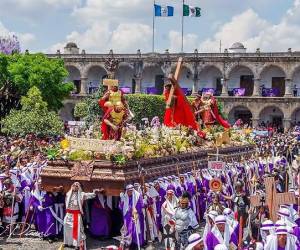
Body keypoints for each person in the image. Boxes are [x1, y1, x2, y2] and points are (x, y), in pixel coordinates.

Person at [63, 182, 98, 250]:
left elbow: (90, 195)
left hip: (76, 215)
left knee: (77, 230)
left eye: (77, 186)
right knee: (67, 227)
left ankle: (76, 244)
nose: (75, 187)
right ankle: (68, 242)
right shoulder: (68, 193)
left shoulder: (82, 194)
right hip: (69, 214)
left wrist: (94, 192)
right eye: (74, 185)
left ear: (79, 187)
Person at [119, 184, 145, 249]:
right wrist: (121, 202)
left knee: (135, 230)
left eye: (130, 191)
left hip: (135, 216)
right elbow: (121, 207)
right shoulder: (124, 197)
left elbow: (140, 206)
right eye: (128, 191)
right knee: (127, 230)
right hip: (127, 218)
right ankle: (128, 243)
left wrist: (135, 211)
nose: (129, 192)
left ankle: (136, 243)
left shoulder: (138, 196)